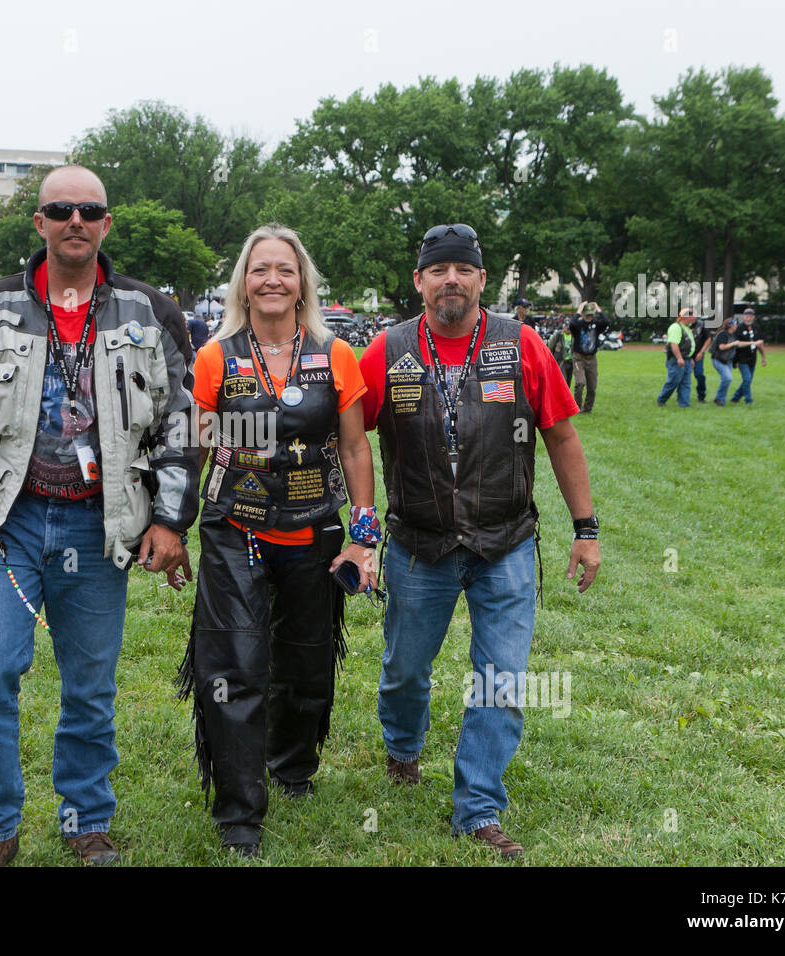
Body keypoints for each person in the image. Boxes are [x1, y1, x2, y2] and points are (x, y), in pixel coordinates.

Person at [0, 165, 198, 867]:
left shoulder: (150, 310)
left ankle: (85, 818)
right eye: (60, 209)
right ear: (38, 223)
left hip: (102, 526)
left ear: (106, 223)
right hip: (11, 522)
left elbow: (181, 423)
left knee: (91, 683)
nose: (75, 220)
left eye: (89, 209)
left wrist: (170, 518)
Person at [359, 223, 599, 859]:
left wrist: (586, 529)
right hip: (419, 545)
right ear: (419, 281)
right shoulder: (388, 351)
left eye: (463, 269)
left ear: (482, 280)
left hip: (507, 543)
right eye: (437, 270)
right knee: (405, 669)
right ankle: (403, 747)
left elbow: (563, 436)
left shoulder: (520, 345)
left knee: (502, 678)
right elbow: (350, 438)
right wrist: (353, 528)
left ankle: (479, 806)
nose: (451, 281)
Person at [177, 224, 377, 859]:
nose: (271, 279)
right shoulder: (216, 356)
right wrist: (170, 526)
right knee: (235, 664)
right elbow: (194, 447)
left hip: (316, 530)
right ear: (243, 281)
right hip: (236, 528)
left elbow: (353, 445)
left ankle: (293, 767)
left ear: (302, 284)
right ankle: (239, 810)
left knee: (307, 660)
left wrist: (364, 535)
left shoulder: (335, 353)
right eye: (259, 269)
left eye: (284, 270)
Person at [568, 301, 608, 413]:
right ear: (583, 314)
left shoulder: (596, 324)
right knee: (580, 383)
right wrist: (578, 311)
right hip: (579, 358)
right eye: (587, 314)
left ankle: (587, 409)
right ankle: (576, 407)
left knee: (592, 386)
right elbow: (571, 324)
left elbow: (606, 321)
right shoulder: (578, 325)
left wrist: (598, 309)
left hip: (592, 358)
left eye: (591, 314)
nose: (589, 317)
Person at [657, 307, 698, 408]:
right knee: (674, 381)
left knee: (686, 383)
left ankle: (684, 404)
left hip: (686, 360)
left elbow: (689, 345)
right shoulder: (675, 327)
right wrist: (679, 358)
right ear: (686, 316)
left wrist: (690, 358)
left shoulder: (687, 328)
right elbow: (674, 344)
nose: (695, 317)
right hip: (677, 360)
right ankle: (661, 399)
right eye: (693, 315)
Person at [730, 307, 767, 404]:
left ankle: (735, 397)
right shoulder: (738, 328)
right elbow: (736, 344)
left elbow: (760, 343)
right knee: (746, 379)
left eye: (750, 316)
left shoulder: (756, 328)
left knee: (748, 380)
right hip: (741, 358)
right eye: (747, 316)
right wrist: (735, 361)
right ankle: (748, 400)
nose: (748, 318)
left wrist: (763, 357)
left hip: (752, 358)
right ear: (743, 317)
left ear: (753, 317)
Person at [709, 317, 740, 406]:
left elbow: (738, 345)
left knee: (727, 380)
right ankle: (719, 398)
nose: (736, 325)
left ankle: (721, 400)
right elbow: (721, 347)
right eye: (735, 324)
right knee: (727, 378)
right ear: (730, 326)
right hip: (718, 360)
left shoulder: (733, 335)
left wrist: (753, 343)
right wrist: (733, 343)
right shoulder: (723, 334)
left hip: (728, 361)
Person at [690, 313, 714, 404]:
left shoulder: (702, 325)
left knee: (699, 375)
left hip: (698, 355)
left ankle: (701, 396)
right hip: (685, 355)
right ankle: (682, 396)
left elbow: (708, 339)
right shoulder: (683, 324)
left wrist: (701, 352)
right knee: (682, 376)